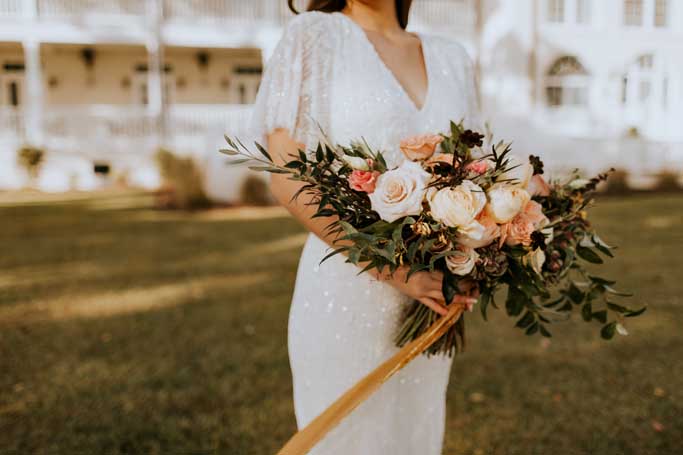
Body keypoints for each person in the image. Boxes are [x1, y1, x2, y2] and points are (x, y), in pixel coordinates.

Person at [250, 1, 482, 453]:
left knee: (415, 434)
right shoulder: (313, 38)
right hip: (345, 291)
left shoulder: (453, 56)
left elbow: (476, 171)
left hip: (433, 299)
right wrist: (393, 271)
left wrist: (479, 248)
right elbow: (287, 177)